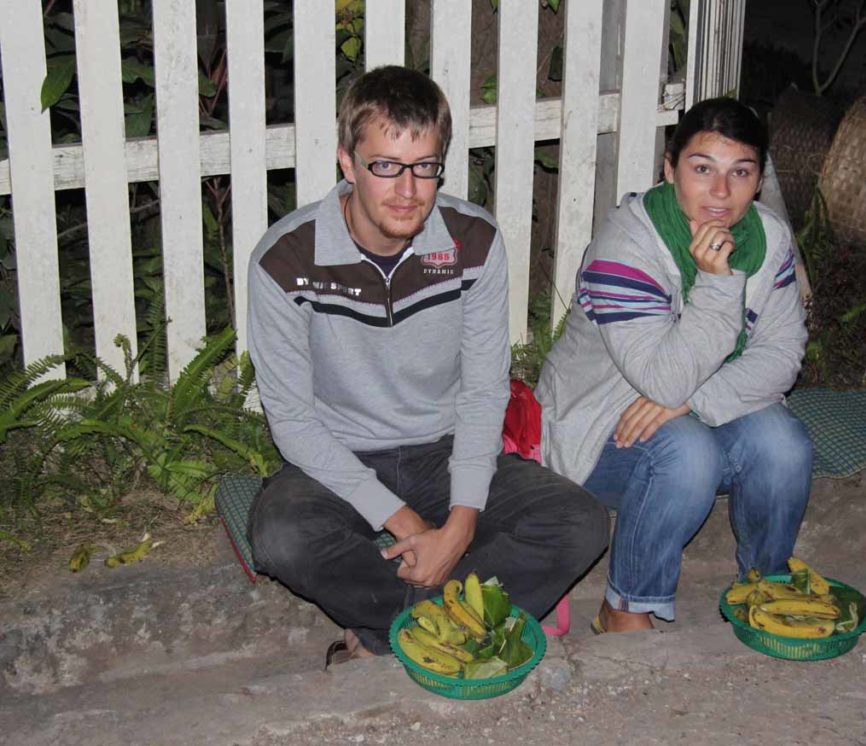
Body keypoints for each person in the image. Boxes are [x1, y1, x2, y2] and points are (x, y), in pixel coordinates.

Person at [246, 65, 608, 661]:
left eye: (425, 167)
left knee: (580, 521)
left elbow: (484, 393)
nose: (408, 190)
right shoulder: (286, 259)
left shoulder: (475, 242)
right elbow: (291, 420)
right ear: (347, 163)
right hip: (338, 458)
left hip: (444, 450)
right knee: (282, 537)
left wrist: (459, 526)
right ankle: (456, 622)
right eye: (385, 165)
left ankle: (392, 633)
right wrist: (412, 528)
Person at [535, 97, 813, 634]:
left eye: (740, 173)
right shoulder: (628, 245)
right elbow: (663, 380)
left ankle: (763, 587)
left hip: (692, 407)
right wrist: (717, 281)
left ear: (758, 181)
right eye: (701, 168)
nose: (720, 192)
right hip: (600, 430)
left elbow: (781, 356)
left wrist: (696, 401)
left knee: (783, 444)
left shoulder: (770, 238)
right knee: (689, 451)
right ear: (669, 170)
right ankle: (626, 606)